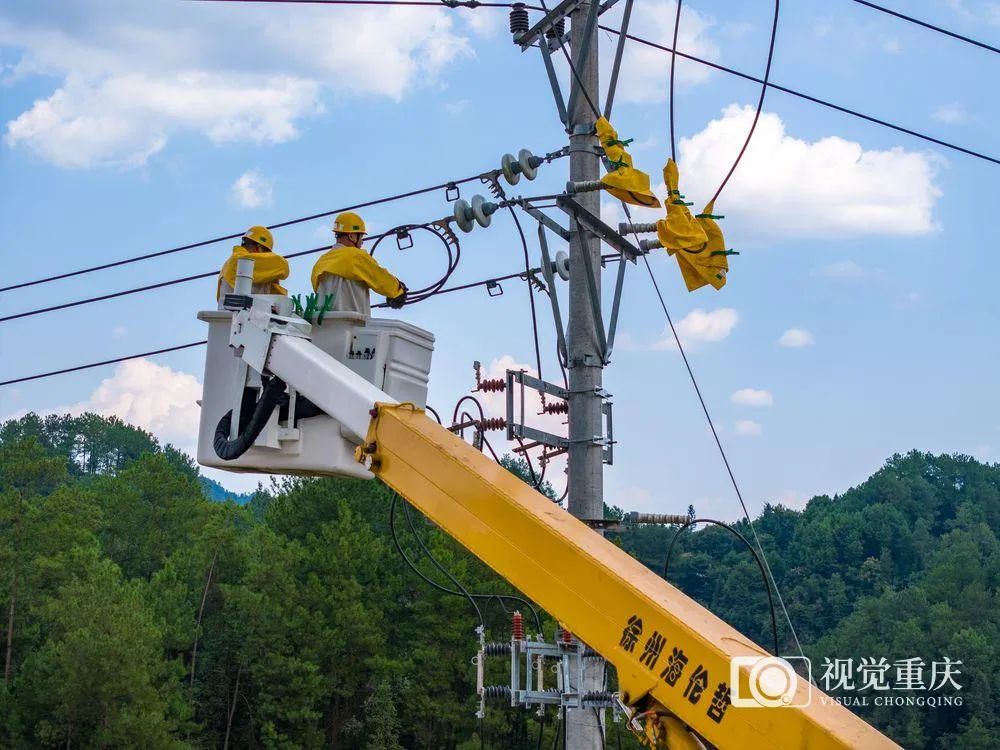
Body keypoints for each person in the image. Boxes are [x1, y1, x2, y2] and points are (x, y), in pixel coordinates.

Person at [310, 212, 407, 318]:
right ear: (351, 236)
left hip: (324, 327)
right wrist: (398, 290)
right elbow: (380, 278)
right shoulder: (355, 256)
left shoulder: (321, 262)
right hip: (353, 326)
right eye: (360, 237)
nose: (362, 242)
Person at [217, 225, 289, 303]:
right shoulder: (243, 260)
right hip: (243, 313)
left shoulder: (232, 261)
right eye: (266, 253)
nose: (266, 256)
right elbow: (283, 266)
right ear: (259, 247)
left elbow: (278, 297)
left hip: (237, 312)